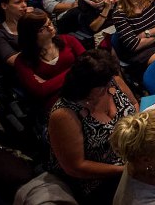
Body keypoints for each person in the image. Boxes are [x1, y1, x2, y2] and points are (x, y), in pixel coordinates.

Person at [48, 49, 138, 203]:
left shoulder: (111, 81)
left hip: (131, 154)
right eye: (103, 86)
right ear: (85, 87)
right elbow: (76, 167)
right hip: (99, 179)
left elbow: (135, 104)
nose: (109, 86)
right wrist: (125, 170)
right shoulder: (64, 114)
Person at [15, 9, 85, 110]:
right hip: (56, 102)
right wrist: (76, 70)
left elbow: (89, 63)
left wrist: (49, 83)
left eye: (49, 23)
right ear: (31, 34)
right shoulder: (22, 60)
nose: (51, 28)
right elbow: (40, 91)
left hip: (82, 89)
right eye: (43, 28)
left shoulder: (68, 40)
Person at [0, 0, 29, 68]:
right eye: (18, 2)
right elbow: (12, 60)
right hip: (24, 69)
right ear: (4, 6)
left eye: (25, 1)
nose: (24, 5)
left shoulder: (35, 19)